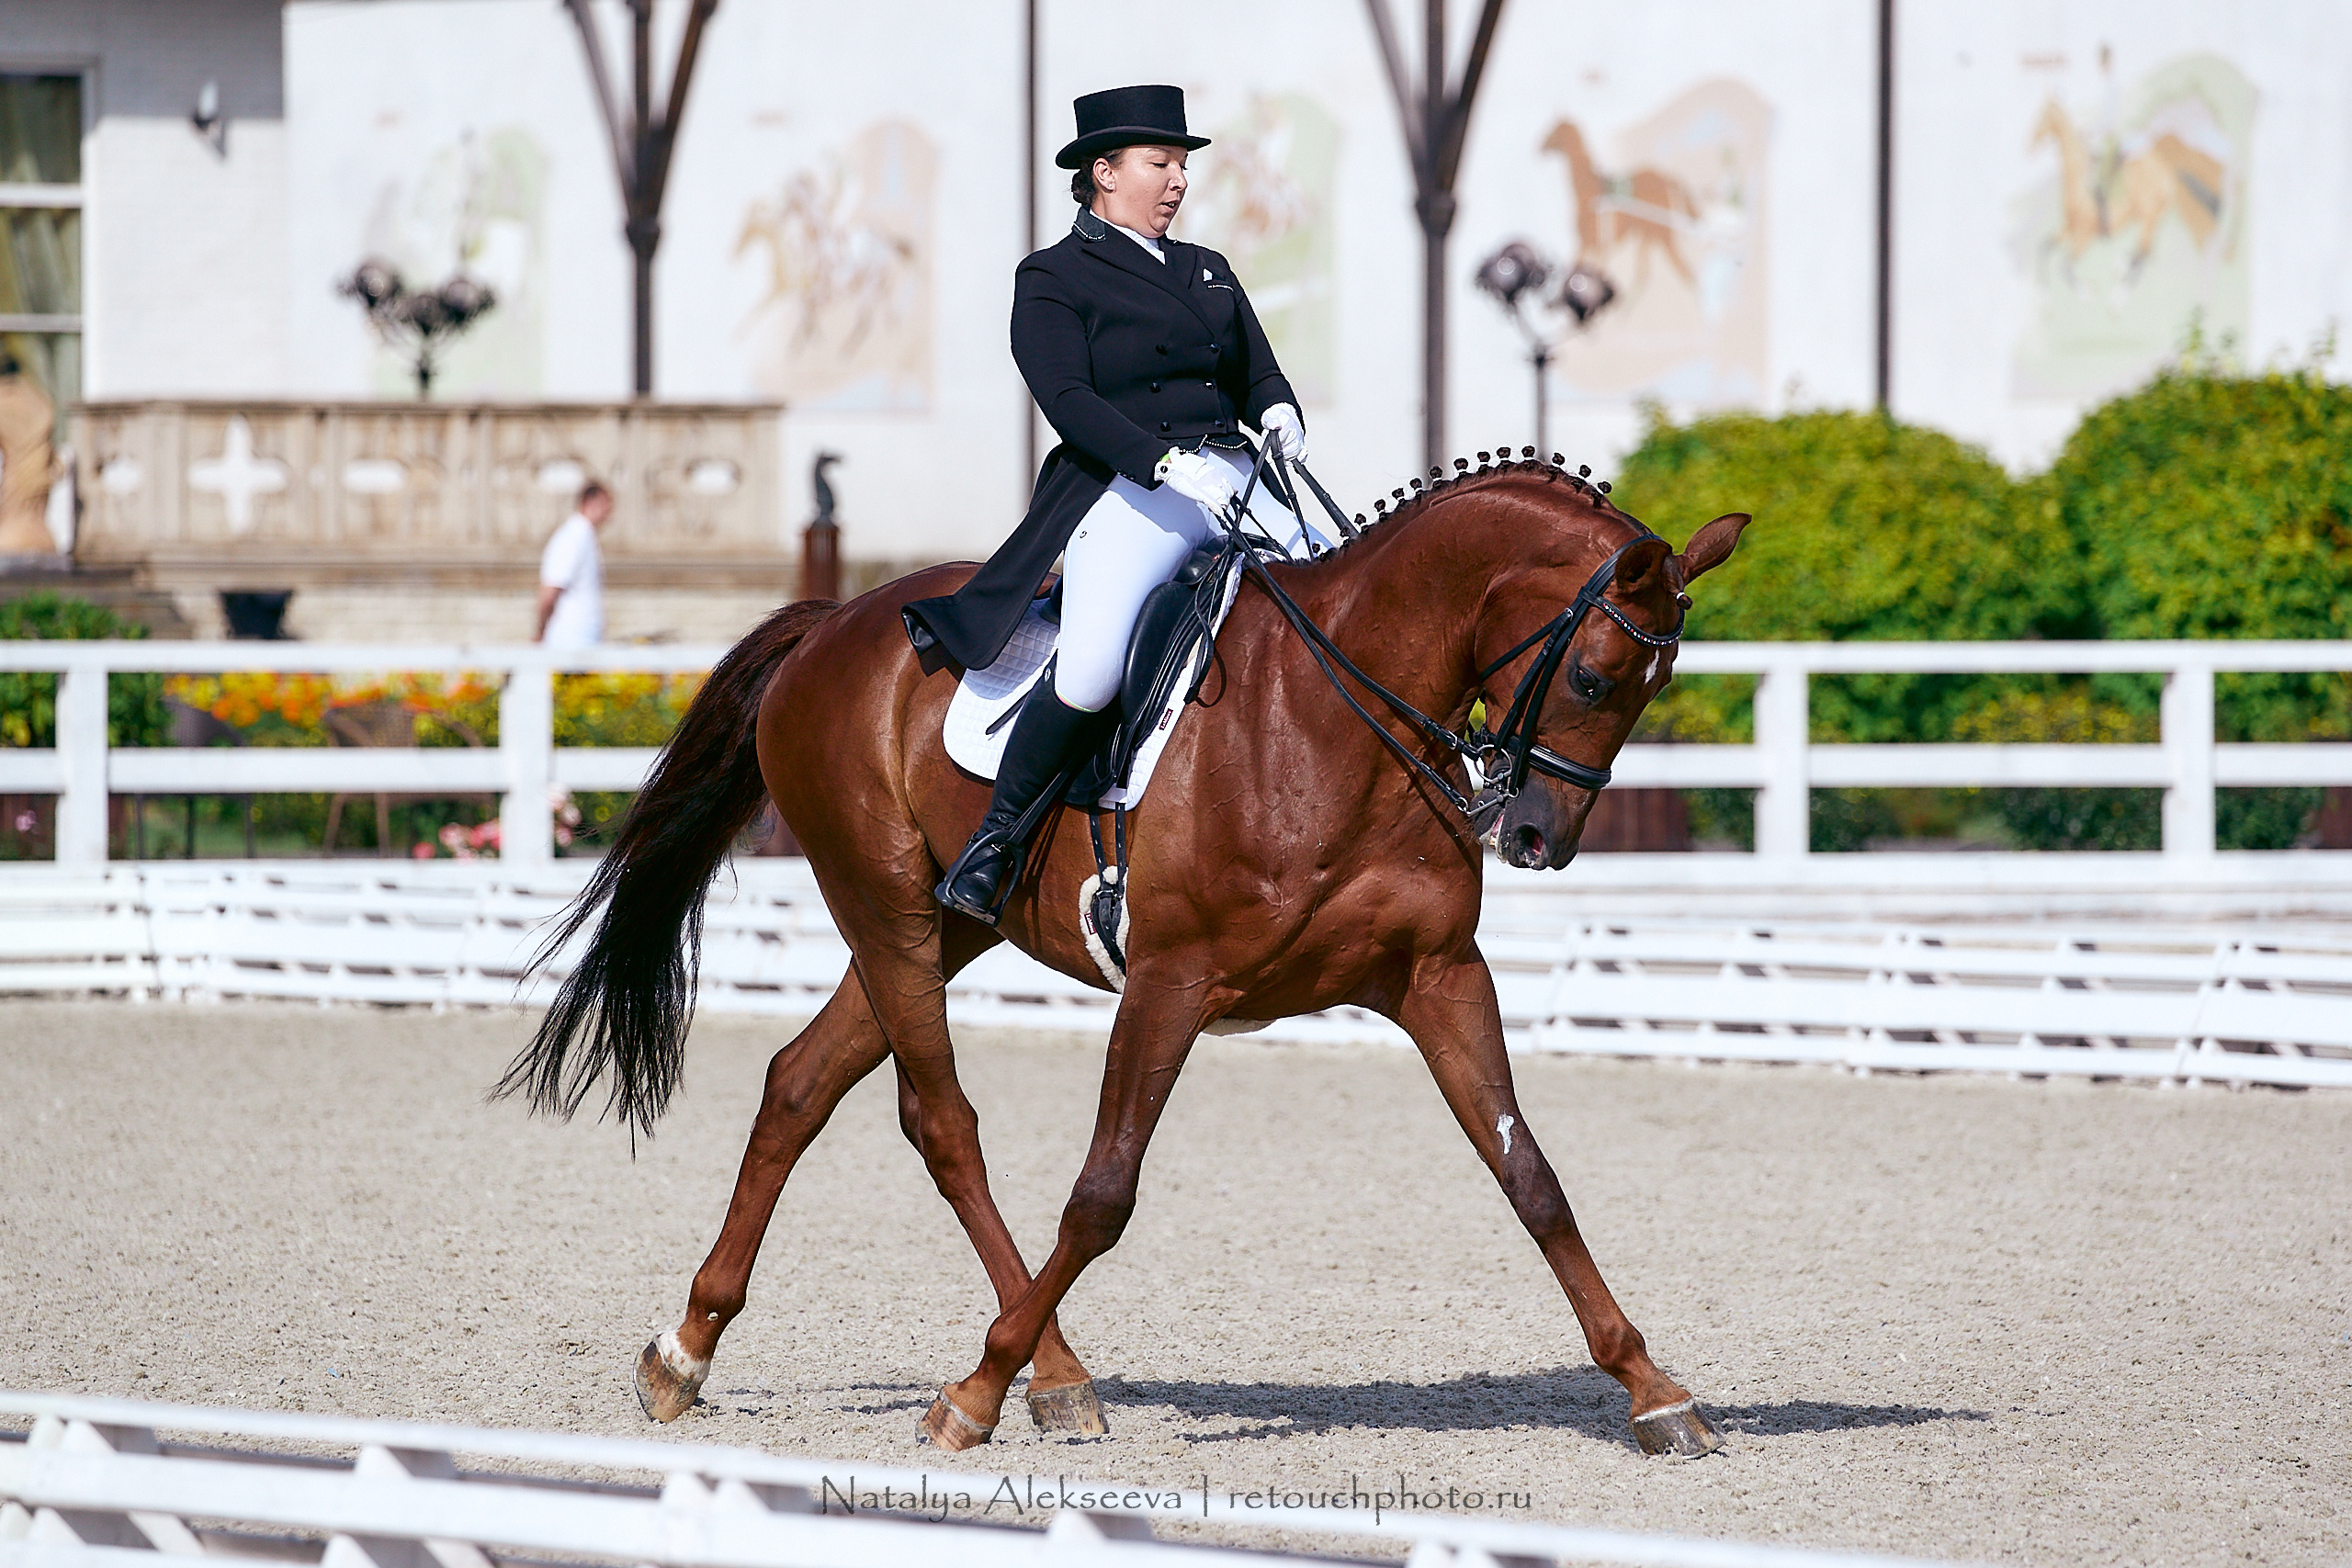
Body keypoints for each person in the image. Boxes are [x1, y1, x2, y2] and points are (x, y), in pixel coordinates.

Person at [904, 84, 1323, 923]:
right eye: (1160, 164)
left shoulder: (1210, 269)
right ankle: (995, 842)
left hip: (1235, 478)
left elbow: (1256, 371)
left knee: (1343, 598)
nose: (1177, 181)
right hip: (1131, 487)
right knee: (1092, 666)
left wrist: (1279, 408)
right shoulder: (1053, 277)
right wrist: (1163, 460)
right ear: (1104, 171)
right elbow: (1067, 398)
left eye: (1181, 166)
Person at [536, 481, 611, 648]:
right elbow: (550, 589)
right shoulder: (571, 537)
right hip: (570, 640)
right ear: (588, 502)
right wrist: (540, 631)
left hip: (584, 640)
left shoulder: (585, 537)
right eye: (605, 504)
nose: (609, 512)